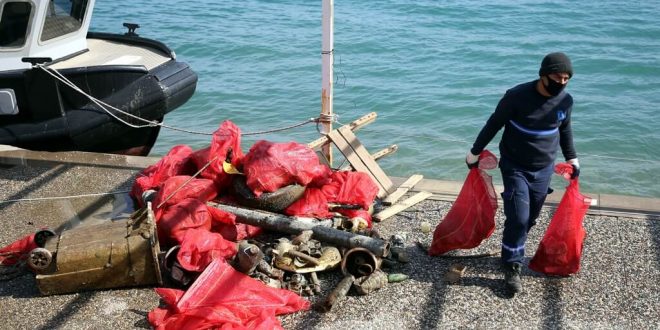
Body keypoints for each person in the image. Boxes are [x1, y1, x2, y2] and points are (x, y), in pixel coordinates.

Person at [466, 52, 579, 295]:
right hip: (515, 164)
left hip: (544, 168)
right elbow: (494, 123)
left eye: (566, 79)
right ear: (543, 75)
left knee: (529, 218)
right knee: (518, 217)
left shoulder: (565, 102)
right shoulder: (516, 96)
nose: (561, 83)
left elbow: (565, 131)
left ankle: (511, 245)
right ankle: (512, 265)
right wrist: (474, 152)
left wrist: (572, 158)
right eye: (557, 78)